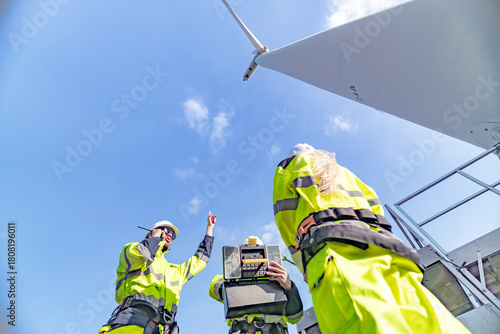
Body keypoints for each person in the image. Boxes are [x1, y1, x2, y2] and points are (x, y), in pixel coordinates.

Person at [272, 143, 471, 334]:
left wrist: (302, 264)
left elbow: (285, 218)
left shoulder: (288, 167)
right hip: (383, 244)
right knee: (420, 312)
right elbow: (376, 207)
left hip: (330, 248)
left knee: (359, 318)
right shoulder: (342, 170)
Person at [99, 212, 217, 334]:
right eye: (166, 230)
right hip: (132, 323)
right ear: (152, 232)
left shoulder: (174, 271)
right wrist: (155, 239)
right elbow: (143, 254)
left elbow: (200, 260)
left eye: (173, 235)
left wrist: (209, 230)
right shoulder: (132, 249)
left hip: (164, 328)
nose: (170, 235)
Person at [209, 236, 303, 334]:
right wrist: (233, 276)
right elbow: (213, 287)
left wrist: (290, 287)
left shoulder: (280, 280)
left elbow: (295, 317)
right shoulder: (232, 279)